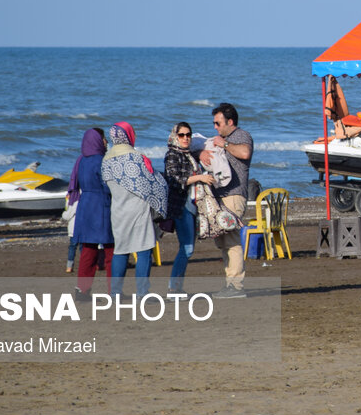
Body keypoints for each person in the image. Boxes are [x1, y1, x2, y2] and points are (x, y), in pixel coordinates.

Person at [102, 122, 168, 298]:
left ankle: (115, 293)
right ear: (128, 135)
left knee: (121, 250)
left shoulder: (106, 160)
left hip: (118, 210)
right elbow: (152, 183)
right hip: (138, 209)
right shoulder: (137, 157)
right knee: (144, 249)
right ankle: (142, 293)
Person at [202, 103, 253, 299]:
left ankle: (236, 286)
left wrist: (222, 144)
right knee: (223, 242)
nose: (215, 127)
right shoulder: (224, 139)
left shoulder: (241, 136)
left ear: (230, 122)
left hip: (234, 195)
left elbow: (245, 153)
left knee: (231, 240)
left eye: (218, 123)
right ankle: (230, 284)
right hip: (221, 195)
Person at [163, 122, 215, 296]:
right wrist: (200, 177)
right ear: (175, 136)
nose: (186, 138)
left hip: (192, 207)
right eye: (182, 135)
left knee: (187, 248)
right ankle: (173, 287)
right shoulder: (172, 154)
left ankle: (177, 287)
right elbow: (175, 178)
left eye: (188, 135)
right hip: (181, 207)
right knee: (187, 248)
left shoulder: (188, 154)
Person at [70, 128, 114, 299]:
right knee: (111, 251)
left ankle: (82, 289)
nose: (105, 142)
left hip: (85, 206)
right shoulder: (101, 161)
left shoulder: (80, 161)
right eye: (103, 138)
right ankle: (114, 290)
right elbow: (107, 186)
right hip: (101, 207)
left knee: (88, 250)